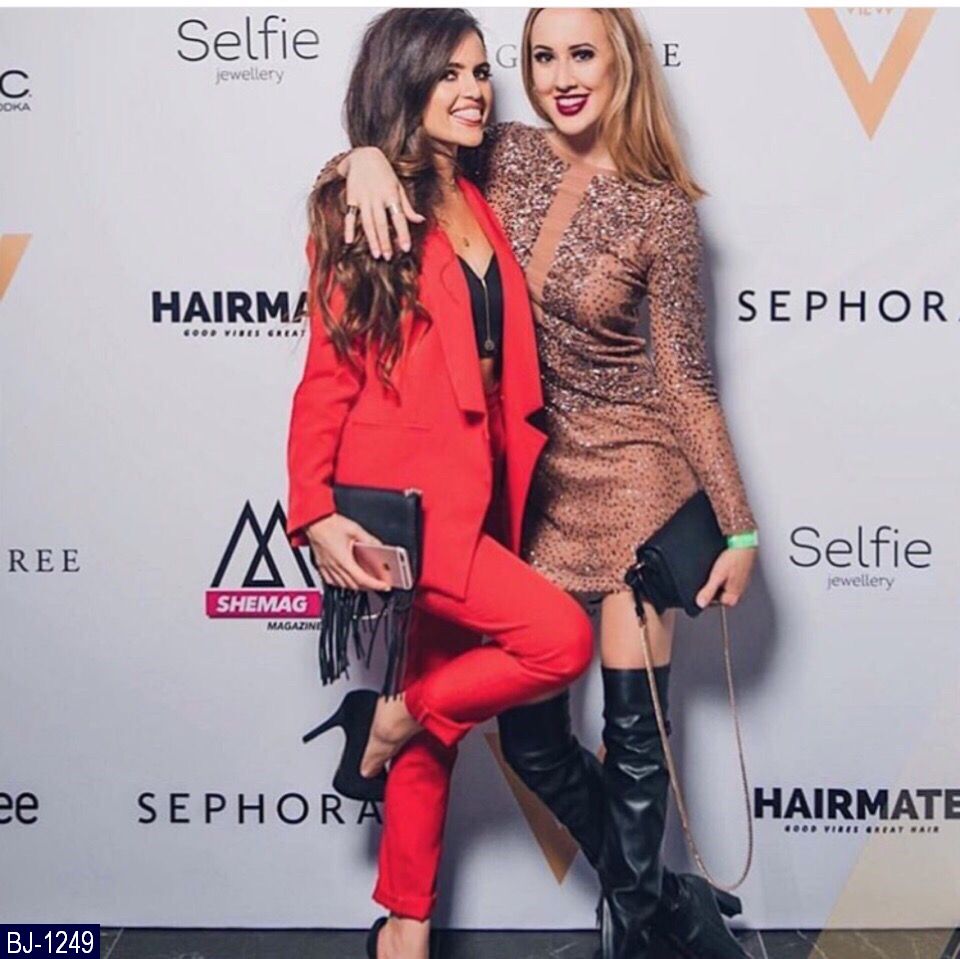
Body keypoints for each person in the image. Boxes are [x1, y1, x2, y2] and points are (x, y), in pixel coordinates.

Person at [325, 7, 760, 959]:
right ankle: (669, 902)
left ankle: (633, 935)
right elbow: (405, 141)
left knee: (636, 742)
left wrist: (738, 526)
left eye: (582, 54)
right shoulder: (501, 153)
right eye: (541, 57)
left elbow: (688, 380)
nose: (561, 76)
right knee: (532, 744)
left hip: (639, 476)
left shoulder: (662, 208)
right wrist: (357, 158)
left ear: (622, 63)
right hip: (529, 488)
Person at [284, 9, 594, 959]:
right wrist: (311, 509)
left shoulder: (478, 183)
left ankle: (403, 929)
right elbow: (327, 368)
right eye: (447, 75)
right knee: (559, 638)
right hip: (415, 504)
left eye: (479, 72)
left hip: (488, 483)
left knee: (436, 720)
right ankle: (394, 712)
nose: (473, 91)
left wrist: (365, 155)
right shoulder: (367, 201)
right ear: (404, 82)